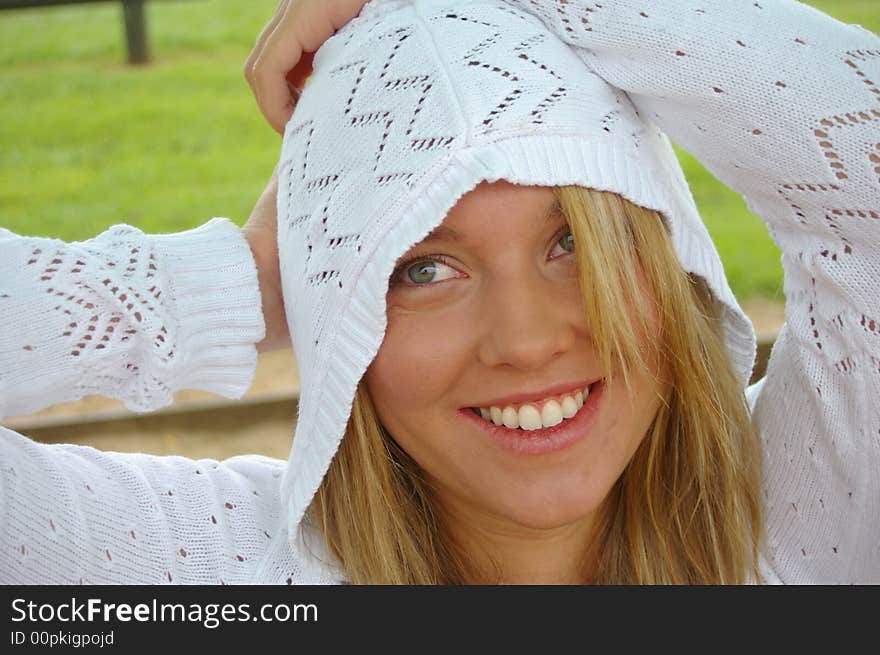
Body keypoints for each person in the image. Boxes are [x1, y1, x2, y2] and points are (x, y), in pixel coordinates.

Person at [1, 0, 877, 584]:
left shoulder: (791, 522)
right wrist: (230, 283)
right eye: (423, 268)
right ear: (342, 309)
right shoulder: (211, 574)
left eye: (575, 243)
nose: (527, 342)